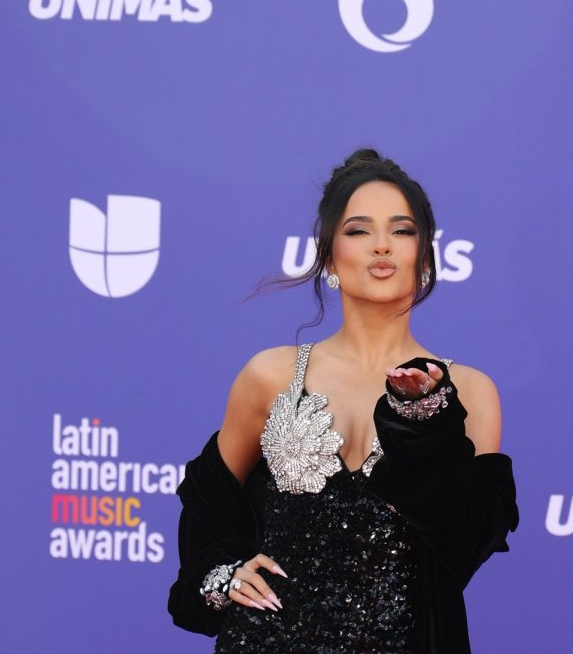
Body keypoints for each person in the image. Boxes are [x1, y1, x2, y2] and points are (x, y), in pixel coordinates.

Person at [168, 149, 519, 653]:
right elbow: (208, 503)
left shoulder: (465, 392)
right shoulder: (270, 375)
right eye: (358, 230)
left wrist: (423, 422)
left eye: (402, 230)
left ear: (424, 255)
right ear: (330, 255)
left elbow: (467, 541)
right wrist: (225, 575)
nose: (381, 245)